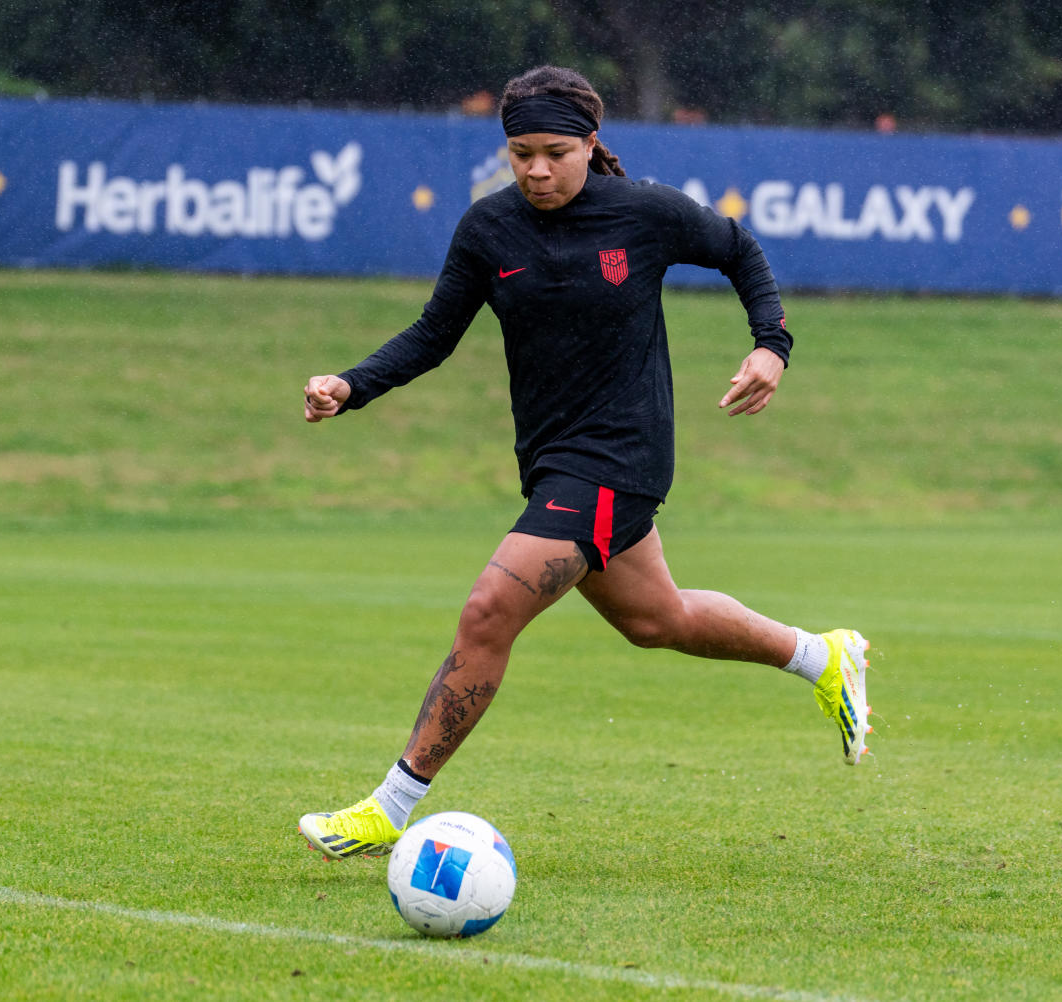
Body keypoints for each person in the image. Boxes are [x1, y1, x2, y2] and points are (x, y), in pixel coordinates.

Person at [298, 66, 871, 860]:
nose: (536, 169)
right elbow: (434, 336)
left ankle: (392, 805)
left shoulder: (643, 212)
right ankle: (821, 655)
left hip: (620, 455)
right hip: (551, 460)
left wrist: (771, 346)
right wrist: (349, 384)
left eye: (555, 152)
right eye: (520, 152)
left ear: (591, 145)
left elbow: (740, 250)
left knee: (488, 612)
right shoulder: (487, 231)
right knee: (655, 620)